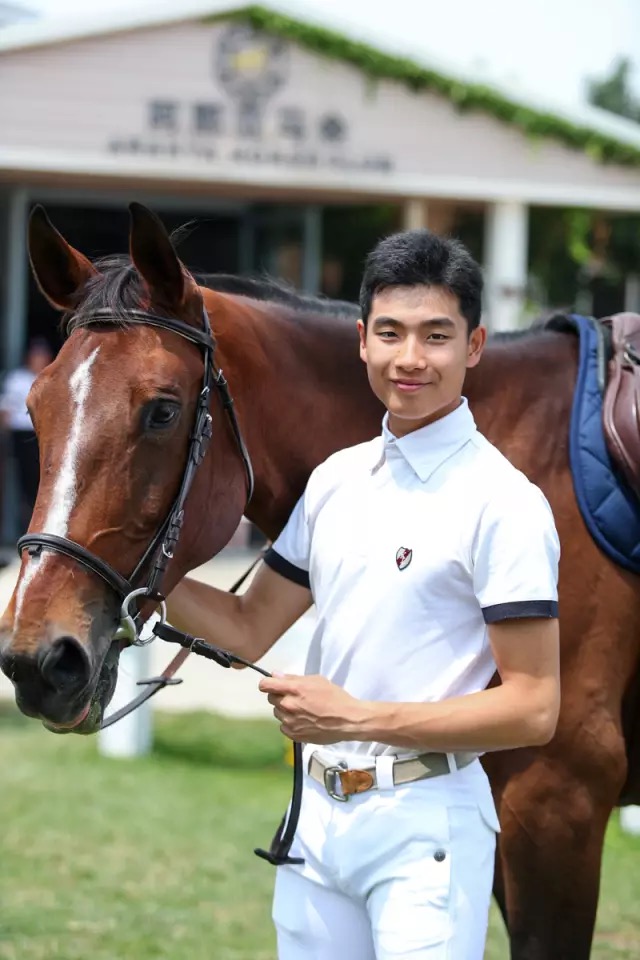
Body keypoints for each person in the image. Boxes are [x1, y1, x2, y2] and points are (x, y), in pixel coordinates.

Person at [166, 230, 561, 959]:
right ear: (361, 342)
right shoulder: (335, 480)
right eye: (391, 333)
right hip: (317, 823)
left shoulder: (504, 503)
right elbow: (247, 628)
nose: (411, 358)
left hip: (427, 829)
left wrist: (356, 715)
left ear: (473, 346)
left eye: (436, 336)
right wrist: (138, 572)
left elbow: (535, 707)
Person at [0, 338, 53, 534]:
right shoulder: (17, 378)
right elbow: (5, 411)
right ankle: (25, 530)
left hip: (44, 436)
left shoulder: (53, 377)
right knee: (25, 485)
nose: (39, 360)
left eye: (43, 355)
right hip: (21, 436)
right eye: (36, 355)